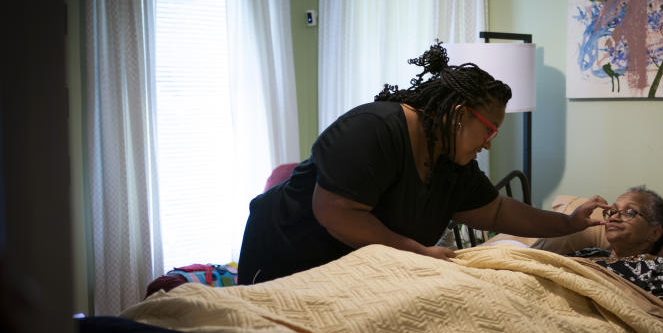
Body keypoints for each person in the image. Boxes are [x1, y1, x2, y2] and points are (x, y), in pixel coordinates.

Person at [238, 42, 607, 284]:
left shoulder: (449, 159)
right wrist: (418, 252)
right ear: (460, 115)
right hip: (284, 252)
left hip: (345, 277)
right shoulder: (375, 128)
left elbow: (496, 213)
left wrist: (568, 223)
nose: (489, 144)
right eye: (490, 131)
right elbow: (337, 211)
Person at [569, 186, 663, 305]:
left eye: (629, 212)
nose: (613, 217)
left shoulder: (662, 268)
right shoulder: (588, 253)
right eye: (612, 211)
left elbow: (660, 319)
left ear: (654, 233)